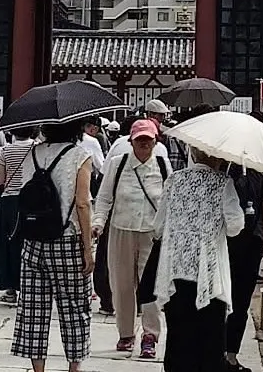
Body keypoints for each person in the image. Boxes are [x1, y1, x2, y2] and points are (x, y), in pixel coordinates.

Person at [10, 119, 95, 372]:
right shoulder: (80, 155)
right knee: (74, 307)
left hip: (33, 239)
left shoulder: (32, 153)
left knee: (34, 308)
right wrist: (88, 248)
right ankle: (74, 366)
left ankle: (38, 369)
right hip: (67, 240)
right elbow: (82, 203)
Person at [151, 147, 244, 372]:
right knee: (209, 341)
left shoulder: (174, 180)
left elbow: (158, 227)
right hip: (209, 275)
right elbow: (235, 227)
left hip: (176, 270)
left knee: (178, 337)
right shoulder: (223, 183)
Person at [93, 119, 171, 360]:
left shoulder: (162, 165)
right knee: (122, 284)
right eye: (140, 140)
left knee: (151, 287)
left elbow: (171, 200)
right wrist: (98, 223)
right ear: (131, 141)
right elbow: (104, 197)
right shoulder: (117, 165)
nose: (145, 143)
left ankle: (150, 335)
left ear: (156, 140)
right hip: (121, 228)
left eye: (149, 139)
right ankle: (126, 333)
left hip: (152, 232)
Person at [224, 163, 263, 372]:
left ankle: (214, 352)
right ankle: (230, 357)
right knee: (241, 300)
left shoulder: (222, 165)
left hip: (224, 239)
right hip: (252, 240)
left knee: (220, 297)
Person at [0, 126, 39, 305]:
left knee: (7, 244)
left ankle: (10, 289)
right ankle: (29, 287)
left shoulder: (6, 150)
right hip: (31, 201)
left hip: (10, 202)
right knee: (29, 244)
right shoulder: (37, 147)